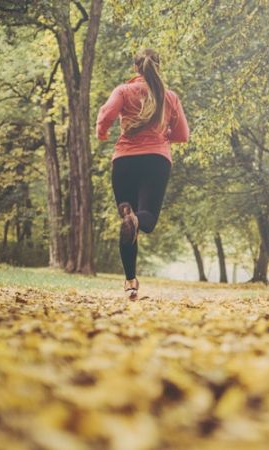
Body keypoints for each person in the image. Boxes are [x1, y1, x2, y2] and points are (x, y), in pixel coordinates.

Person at [96, 48, 190, 300]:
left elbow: (106, 114)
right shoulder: (169, 97)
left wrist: (102, 131)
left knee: (128, 220)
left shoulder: (123, 91)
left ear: (136, 68)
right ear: (158, 67)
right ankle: (135, 222)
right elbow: (182, 135)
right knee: (143, 219)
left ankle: (130, 282)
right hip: (156, 161)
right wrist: (162, 137)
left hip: (124, 162)